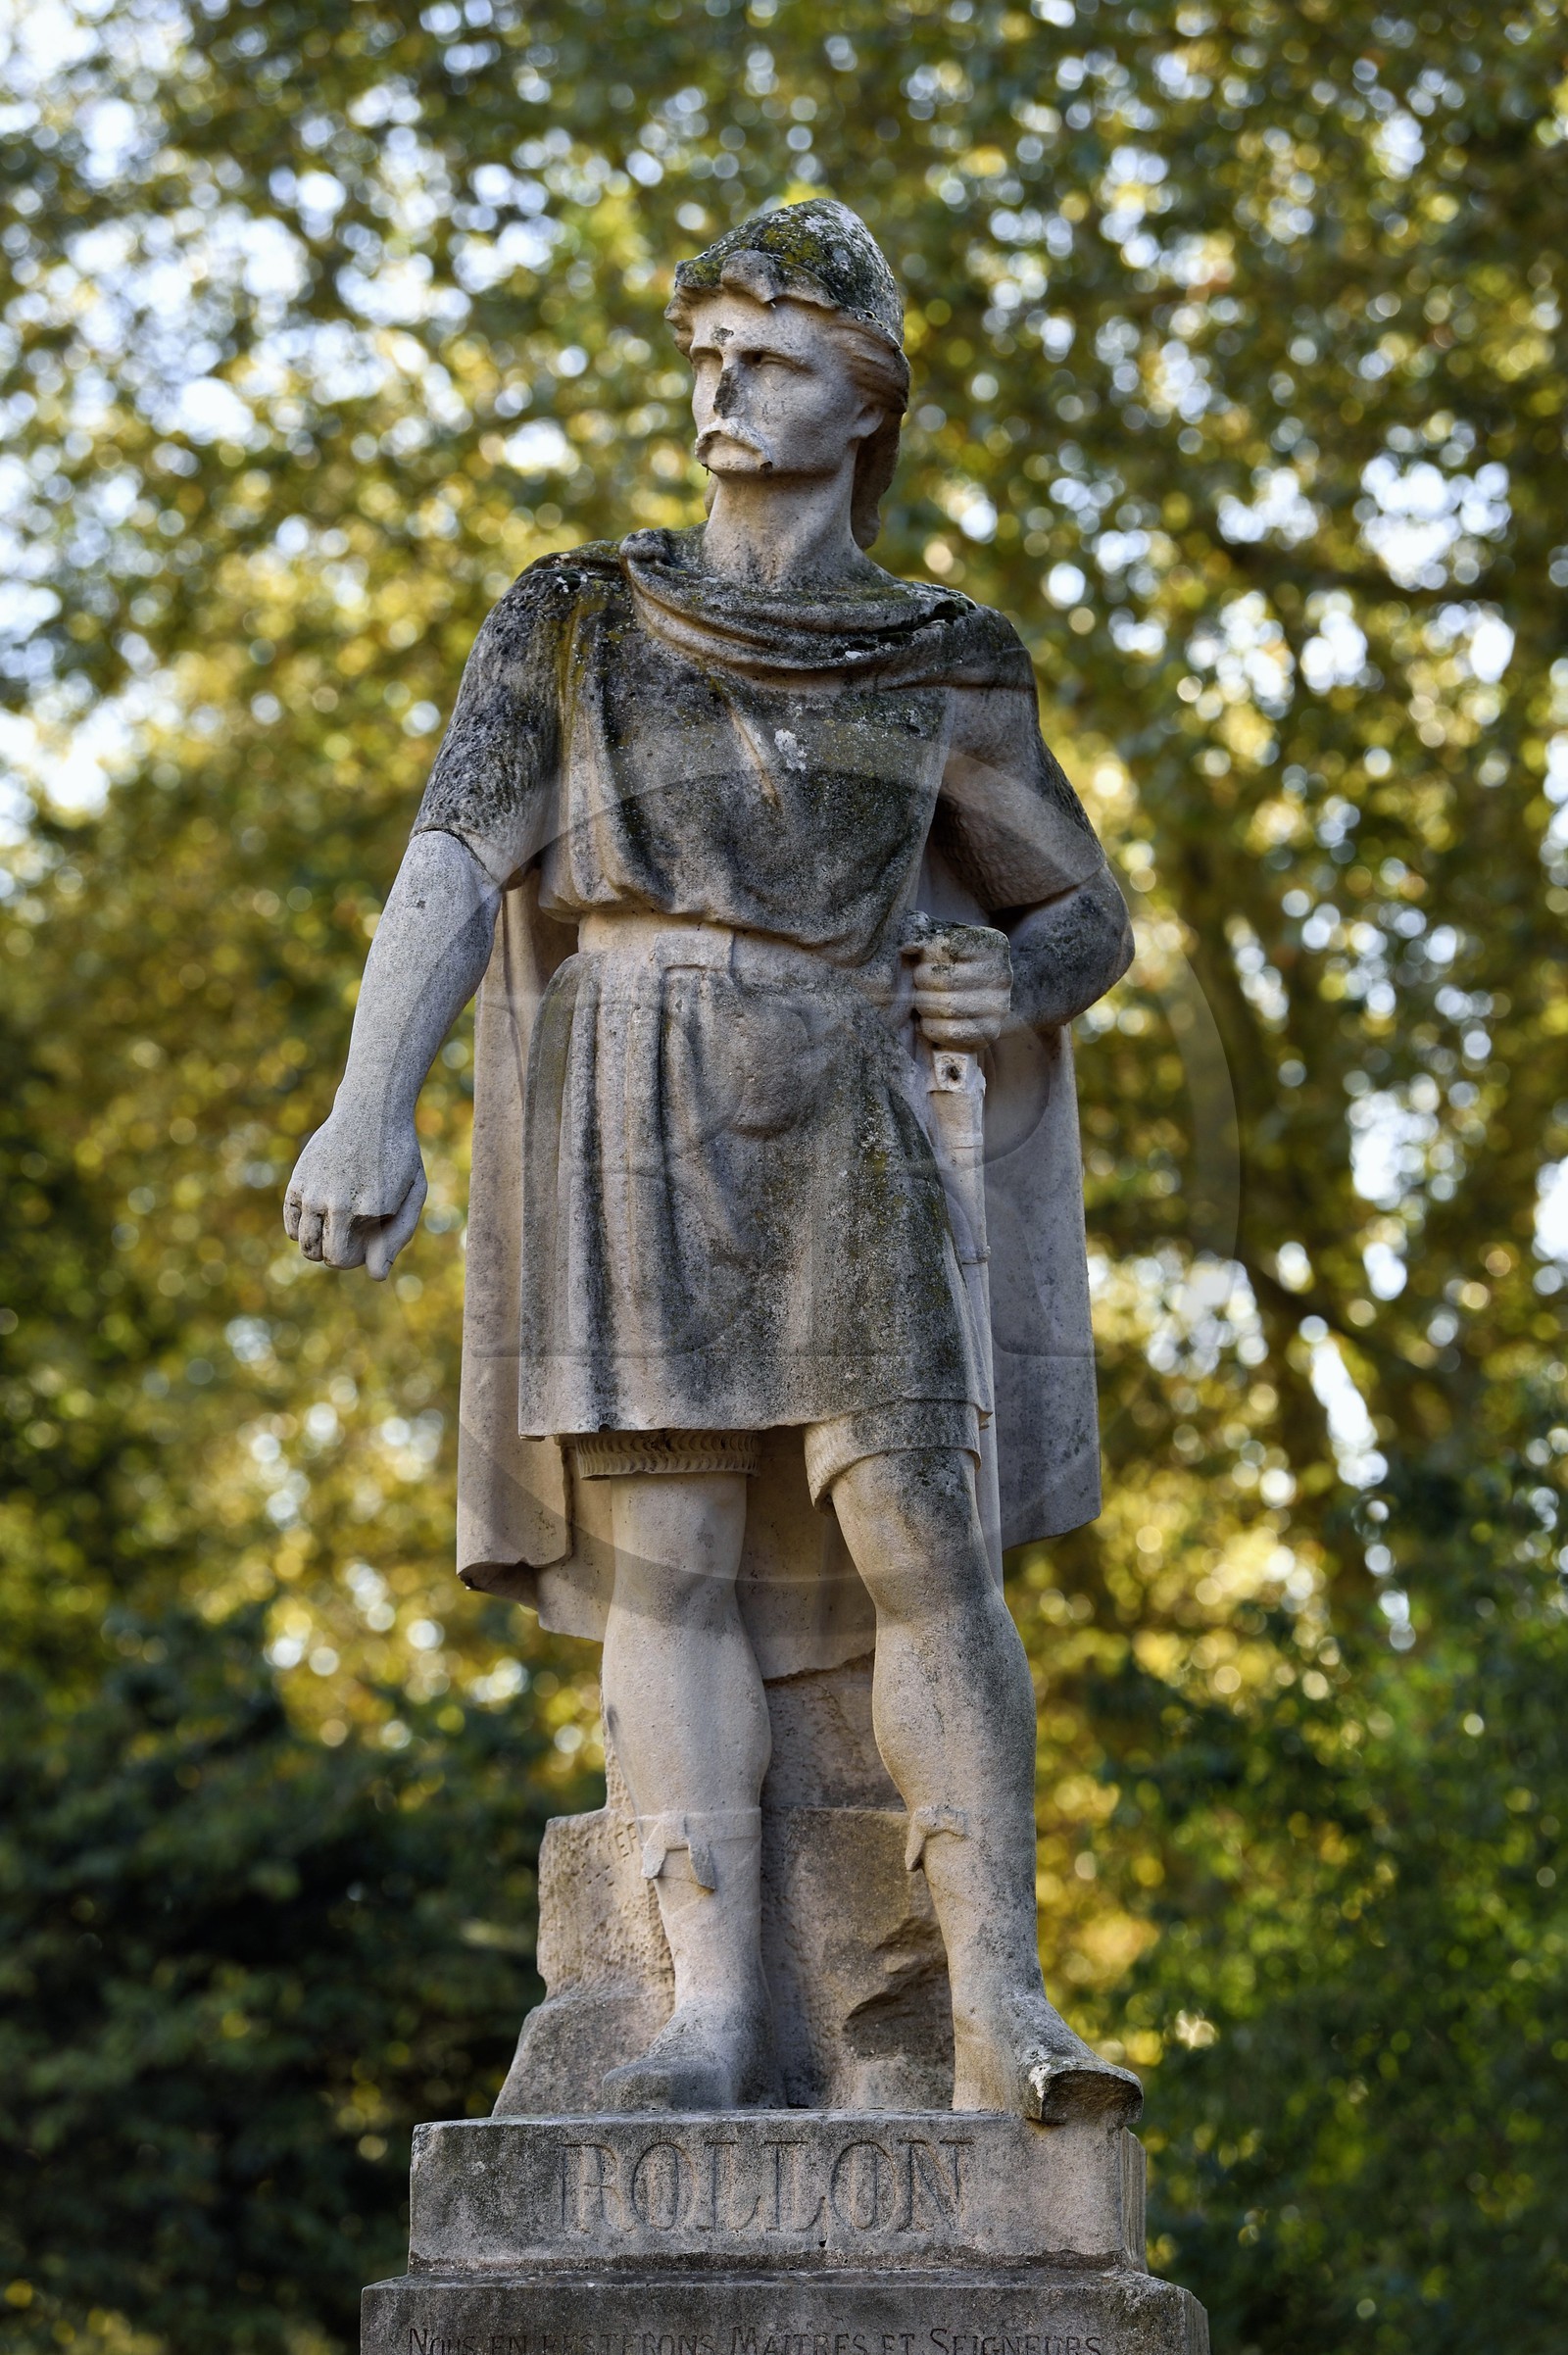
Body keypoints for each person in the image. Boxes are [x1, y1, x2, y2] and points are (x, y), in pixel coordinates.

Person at [285, 201, 1138, 2125]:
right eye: (703, 358)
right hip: (627, 1084)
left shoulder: (940, 655)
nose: (717, 391)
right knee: (666, 1570)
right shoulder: (576, 609)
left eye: (763, 358)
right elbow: (452, 857)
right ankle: (697, 2013)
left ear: (865, 396)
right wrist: (368, 1099)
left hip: (847, 1094)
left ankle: (996, 2003)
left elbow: (1089, 910)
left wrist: (1003, 970)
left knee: (923, 1544)